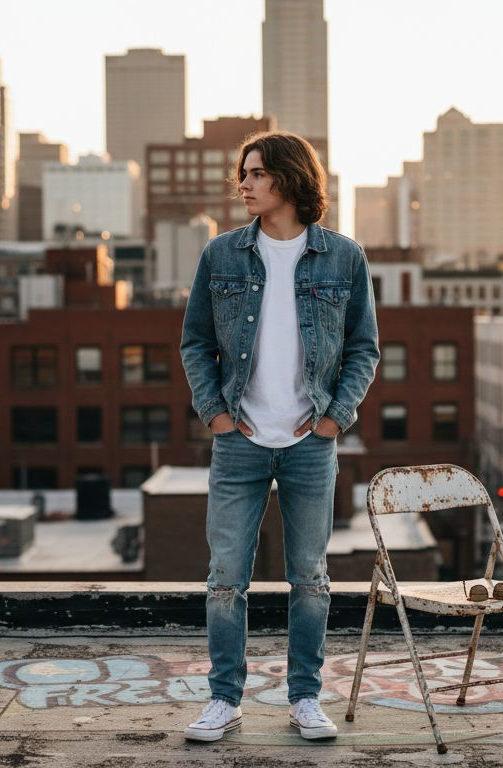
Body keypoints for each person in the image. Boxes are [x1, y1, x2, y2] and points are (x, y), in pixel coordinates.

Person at [179, 131, 379, 742]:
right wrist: (215, 414)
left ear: (290, 179)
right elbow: (195, 342)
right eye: (243, 173)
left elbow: (364, 349)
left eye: (257, 173)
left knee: (310, 579)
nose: (244, 184)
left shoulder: (344, 258)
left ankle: (305, 698)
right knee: (224, 580)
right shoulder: (221, 254)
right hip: (238, 440)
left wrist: (334, 418)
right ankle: (224, 700)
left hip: (310, 444)